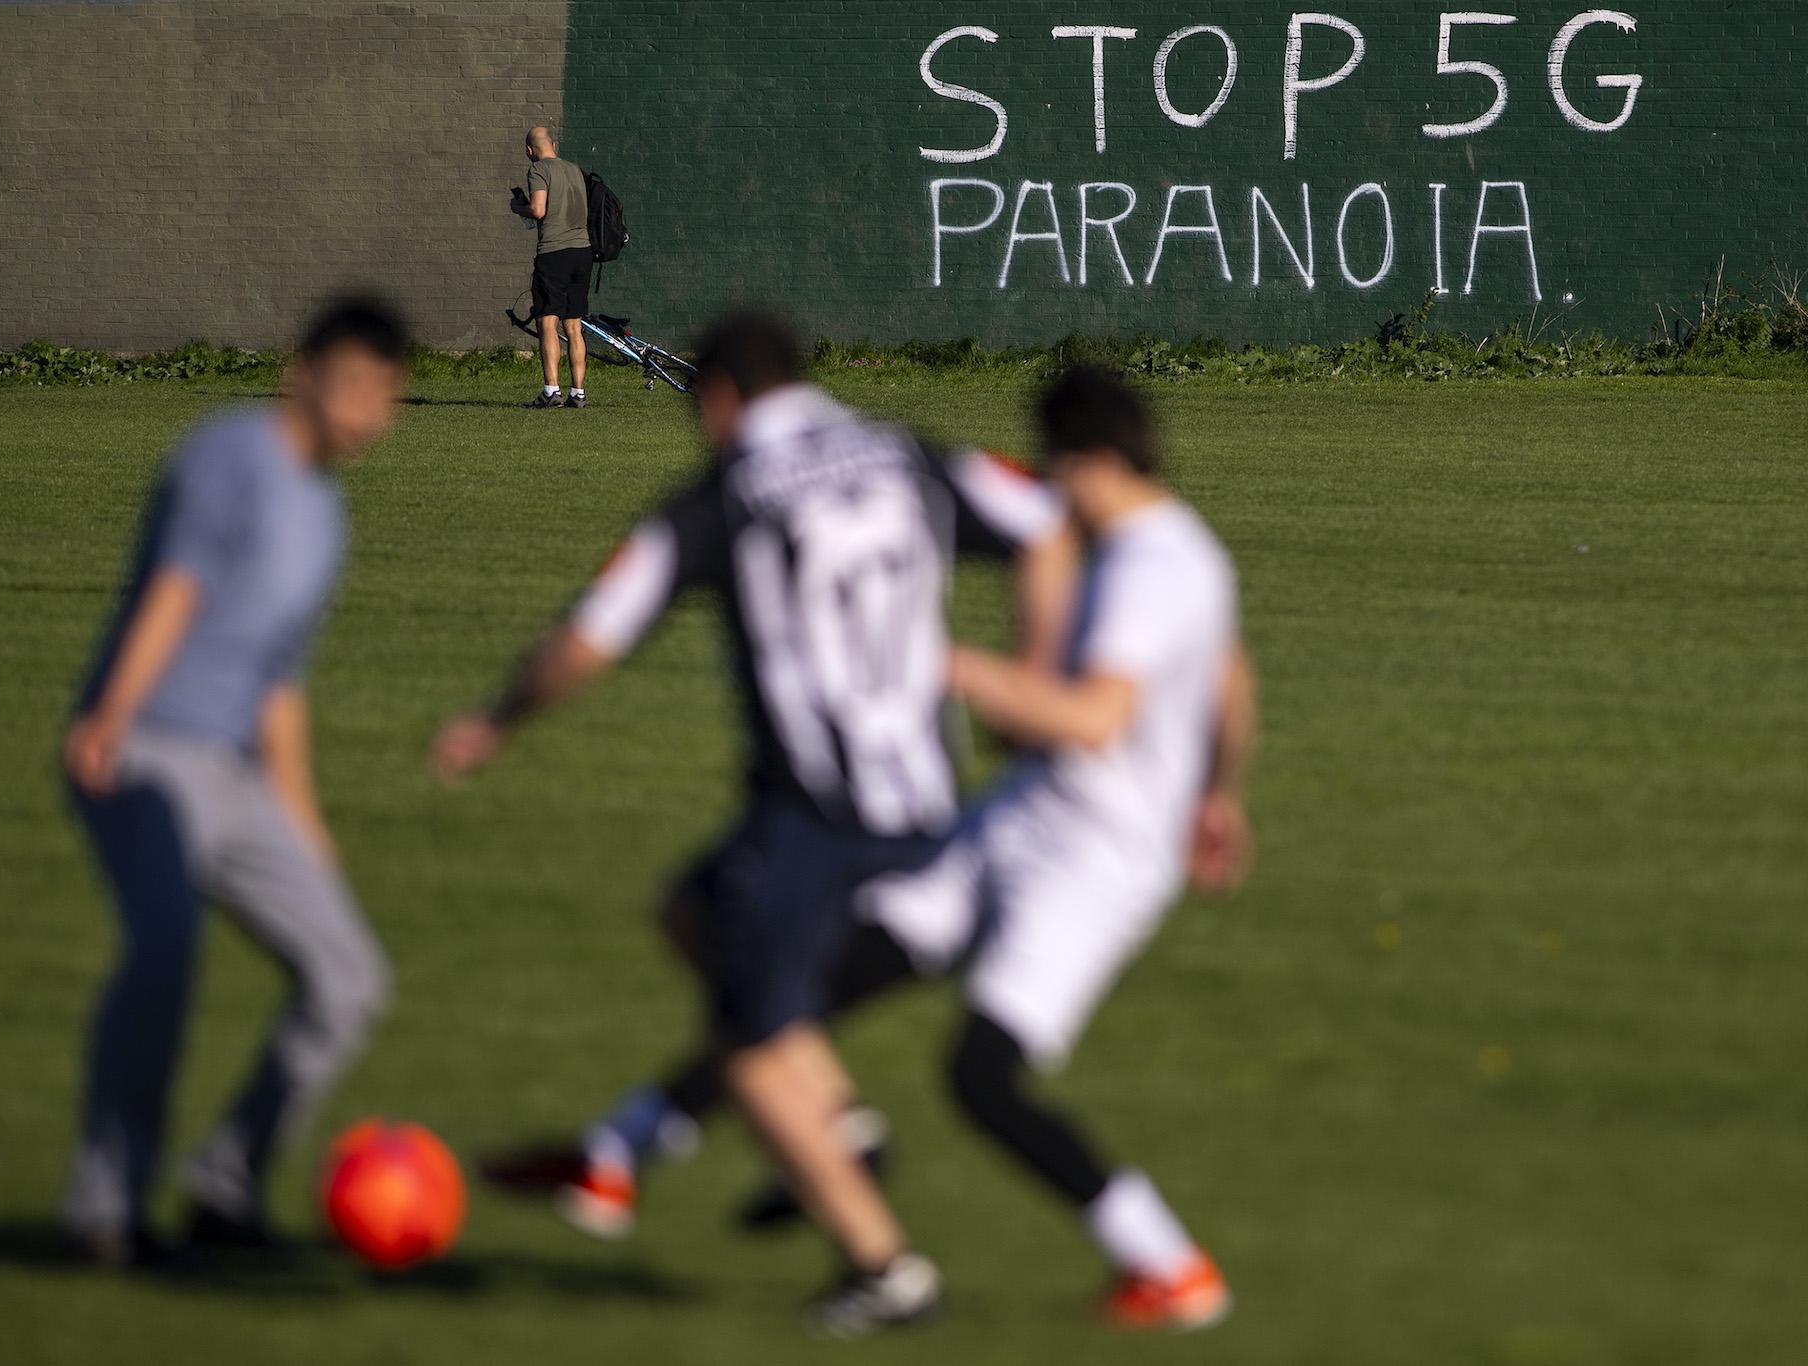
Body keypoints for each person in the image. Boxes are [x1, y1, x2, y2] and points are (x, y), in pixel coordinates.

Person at [513, 366, 1259, 1333]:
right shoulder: (1162, 552)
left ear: (1092, 460)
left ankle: (1171, 1268)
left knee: (981, 1075)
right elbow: (1231, 678)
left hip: (1094, 857)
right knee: (806, 972)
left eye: (1053, 465)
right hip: (1023, 816)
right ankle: (618, 1153)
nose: (1045, 487)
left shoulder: (1152, 566)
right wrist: (1219, 794)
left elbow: (1091, 718)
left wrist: (943, 663)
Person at [428, 310, 1075, 1335]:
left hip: (814, 813)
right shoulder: (906, 454)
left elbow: (593, 634)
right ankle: (842, 1125)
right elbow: (1048, 520)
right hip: (925, 798)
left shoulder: (723, 493)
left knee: (740, 1039)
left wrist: (497, 718)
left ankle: (883, 1265)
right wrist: (1036, 675)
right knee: (693, 910)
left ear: (721, 394)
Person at [60, 298, 410, 1269]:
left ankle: (226, 1187)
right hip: (145, 757)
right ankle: (105, 1211)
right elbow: (177, 587)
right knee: (165, 958)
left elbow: (278, 680)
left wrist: (304, 821)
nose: (363, 413)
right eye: (350, 386)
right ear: (301, 372)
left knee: (348, 979)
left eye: (384, 396)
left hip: (235, 775)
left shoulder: (324, 511)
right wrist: (111, 717)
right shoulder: (230, 456)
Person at [518, 125, 592, 409]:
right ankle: (578, 393)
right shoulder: (574, 169)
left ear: (529, 150)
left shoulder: (538, 170)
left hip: (554, 252)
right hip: (582, 252)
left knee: (547, 320)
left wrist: (518, 208)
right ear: (554, 145)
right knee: (574, 325)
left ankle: (551, 391)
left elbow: (538, 210)